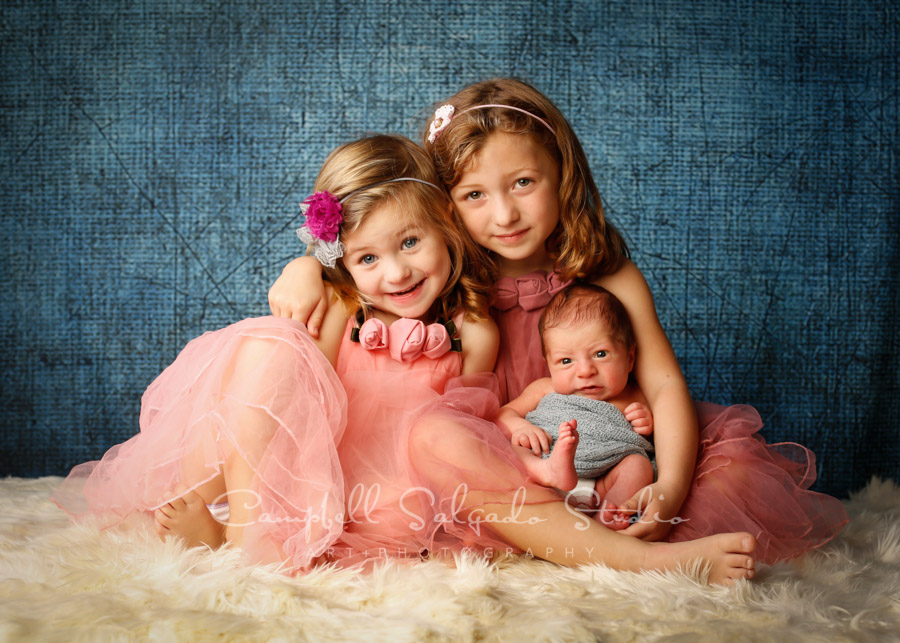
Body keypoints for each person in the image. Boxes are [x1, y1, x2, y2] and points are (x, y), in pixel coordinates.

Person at [53, 134, 758, 584]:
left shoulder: (472, 315)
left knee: (439, 435)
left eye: (411, 246)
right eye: (368, 257)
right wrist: (308, 265)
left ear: (446, 234)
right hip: (347, 474)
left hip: (450, 473)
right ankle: (247, 532)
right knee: (268, 346)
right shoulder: (347, 301)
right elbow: (294, 388)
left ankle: (642, 558)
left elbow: (482, 406)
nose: (394, 272)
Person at [268, 78, 848, 565]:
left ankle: (623, 528)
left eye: (524, 182)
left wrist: (667, 486)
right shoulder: (444, 273)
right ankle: (602, 548)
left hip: (614, 441)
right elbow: (364, 264)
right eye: (473, 194)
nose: (505, 214)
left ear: (561, 172)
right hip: (508, 455)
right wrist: (305, 265)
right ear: (444, 205)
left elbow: (667, 384)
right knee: (444, 452)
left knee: (728, 482)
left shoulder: (605, 271)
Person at [497, 283, 654, 529]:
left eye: (600, 354)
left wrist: (646, 421)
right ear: (548, 364)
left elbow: (651, 441)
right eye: (566, 360)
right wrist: (519, 427)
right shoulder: (544, 388)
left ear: (629, 357)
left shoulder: (634, 396)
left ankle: (608, 518)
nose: (585, 371)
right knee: (511, 449)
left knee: (639, 465)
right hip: (542, 482)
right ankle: (548, 470)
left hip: (601, 483)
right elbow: (503, 414)